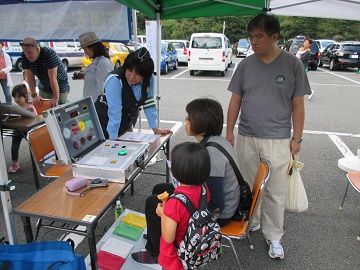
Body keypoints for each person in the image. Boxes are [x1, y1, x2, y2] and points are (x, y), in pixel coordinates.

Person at [226, 14, 311, 260]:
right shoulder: (245, 65)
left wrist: (297, 138)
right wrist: (230, 131)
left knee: (275, 189)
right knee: (249, 186)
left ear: (275, 37)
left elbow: (298, 106)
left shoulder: (292, 64)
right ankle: (251, 221)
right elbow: (235, 100)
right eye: (251, 37)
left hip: (279, 138)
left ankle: (274, 235)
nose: (253, 42)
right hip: (248, 135)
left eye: (259, 37)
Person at [132, 98, 241, 264]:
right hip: (211, 197)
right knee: (160, 188)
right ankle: (157, 233)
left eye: (189, 118)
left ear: (201, 123)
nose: (185, 122)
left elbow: (215, 203)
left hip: (220, 213)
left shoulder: (212, 154)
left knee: (152, 202)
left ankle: (155, 252)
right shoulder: (216, 142)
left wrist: (181, 207)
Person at [131, 142, 211, 269]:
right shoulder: (204, 189)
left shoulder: (174, 204)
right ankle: (153, 236)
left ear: (177, 171)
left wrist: (163, 215)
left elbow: (168, 238)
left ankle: (155, 255)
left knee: (153, 203)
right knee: (159, 189)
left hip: (175, 257)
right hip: (192, 236)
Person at [100, 47, 171, 139]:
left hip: (125, 123)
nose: (132, 76)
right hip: (104, 123)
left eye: (138, 73)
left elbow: (148, 102)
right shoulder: (115, 80)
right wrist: (113, 139)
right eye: (129, 70)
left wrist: (155, 128)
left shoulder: (149, 78)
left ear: (145, 74)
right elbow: (114, 111)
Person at [20, 37, 70, 108]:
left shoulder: (49, 54)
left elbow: (53, 78)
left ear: (37, 49)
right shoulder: (25, 56)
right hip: (43, 85)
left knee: (60, 108)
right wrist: (34, 95)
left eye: (29, 52)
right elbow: (30, 77)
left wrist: (56, 97)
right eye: (24, 52)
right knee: (42, 108)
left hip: (59, 85)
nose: (27, 55)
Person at [75, 32, 113, 102]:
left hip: (96, 105)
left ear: (92, 48)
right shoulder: (98, 61)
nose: (85, 52)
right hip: (91, 103)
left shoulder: (103, 63)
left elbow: (102, 89)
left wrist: (98, 105)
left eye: (85, 49)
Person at [8, 84, 37, 173]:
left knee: (34, 146)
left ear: (25, 96)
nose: (17, 99)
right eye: (15, 97)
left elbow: (35, 119)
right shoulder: (14, 108)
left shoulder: (30, 108)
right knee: (14, 147)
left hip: (28, 130)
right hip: (17, 130)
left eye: (19, 96)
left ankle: (38, 159)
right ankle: (15, 163)